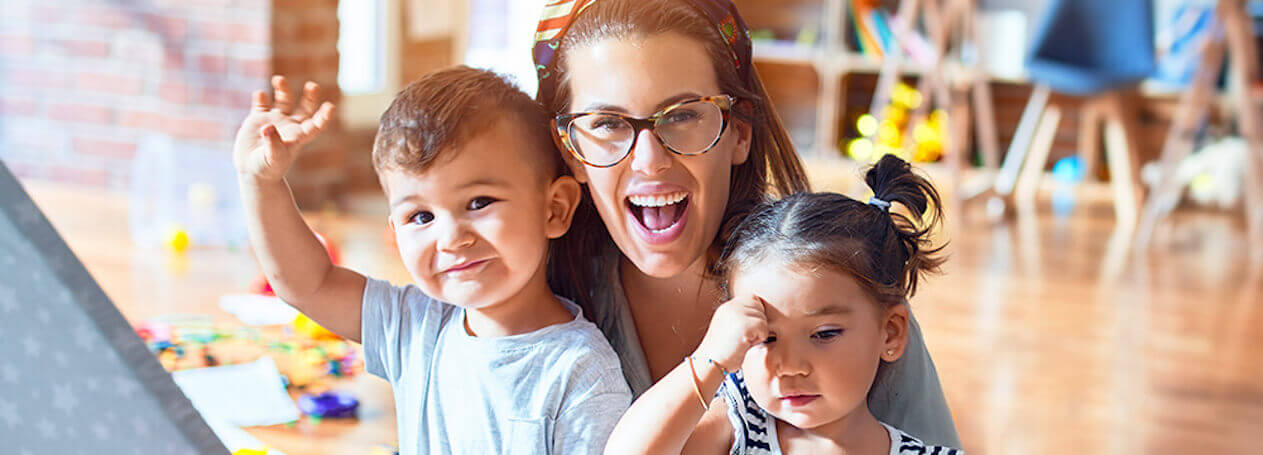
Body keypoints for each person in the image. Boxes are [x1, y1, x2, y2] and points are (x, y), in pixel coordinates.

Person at [532, 0, 960, 446]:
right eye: (606, 123)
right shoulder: (531, 301)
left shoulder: (847, 287)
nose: (649, 162)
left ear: (739, 130)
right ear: (568, 150)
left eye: (682, 115)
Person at [231, 66, 631, 454]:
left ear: (554, 209)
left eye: (479, 203)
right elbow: (308, 284)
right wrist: (261, 182)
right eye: (420, 217)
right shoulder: (417, 327)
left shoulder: (582, 372)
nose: (452, 238)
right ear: (394, 230)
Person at [604, 155, 962, 454]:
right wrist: (708, 360)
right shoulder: (742, 421)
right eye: (765, 338)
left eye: (824, 334)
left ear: (891, 332)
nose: (789, 367)